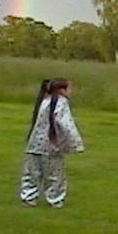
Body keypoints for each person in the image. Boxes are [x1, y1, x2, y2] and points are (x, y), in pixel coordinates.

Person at [20, 78, 85, 208]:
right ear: (62, 90)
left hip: (34, 144)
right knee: (55, 175)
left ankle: (28, 197)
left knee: (32, 173)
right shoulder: (61, 103)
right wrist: (75, 143)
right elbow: (65, 124)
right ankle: (55, 199)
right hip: (51, 145)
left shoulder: (44, 100)